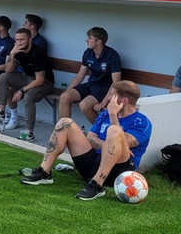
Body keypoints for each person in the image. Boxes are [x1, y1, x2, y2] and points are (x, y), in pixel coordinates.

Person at [20, 80, 152, 200]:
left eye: (113, 95)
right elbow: (90, 137)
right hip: (93, 162)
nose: (109, 99)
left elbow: (121, 143)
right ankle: (44, 172)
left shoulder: (142, 122)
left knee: (115, 131)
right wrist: (105, 144)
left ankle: (97, 185)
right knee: (65, 122)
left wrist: (113, 116)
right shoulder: (104, 114)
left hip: (119, 172)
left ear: (124, 100)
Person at [0, 27, 55, 142]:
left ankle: (29, 133)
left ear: (30, 40)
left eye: (22, 40)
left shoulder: (37, 54)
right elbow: (8, 71)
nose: (19, 42)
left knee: (28, 96)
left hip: (44, 82)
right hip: (27, 78)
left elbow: (40, 80)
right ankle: (1, 110)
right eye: (17, 40)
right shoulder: (18, 51)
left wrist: (22, 90)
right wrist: (12, 54)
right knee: (3, 77)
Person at [58, 27, 123, 124]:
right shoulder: (88, 52)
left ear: (98, 41)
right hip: (91, 84)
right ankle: (63, 130)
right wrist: (69, 90)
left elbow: (116, 82)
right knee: (64, 96)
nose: (86, 40)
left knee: (84, 105)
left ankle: (99, 133)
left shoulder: (112, 56)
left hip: (104, 88)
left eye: (90, 38)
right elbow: (80, 75)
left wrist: (103, 103)